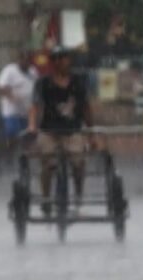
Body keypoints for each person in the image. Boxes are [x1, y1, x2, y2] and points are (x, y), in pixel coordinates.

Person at [27, 47, 97, 215]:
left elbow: (86, 108)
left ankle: (78, 197)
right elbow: (35, 107)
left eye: (64, 58)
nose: (62, 62)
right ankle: (46, 199)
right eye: (57, 59)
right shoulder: (43, 83)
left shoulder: (79, 82)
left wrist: (91, 133)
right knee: (48, 164)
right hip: (49, 131)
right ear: (54, 62)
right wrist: (32, 125)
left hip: (72, 131)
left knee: (79, 164)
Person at [0, 51, 38, 143]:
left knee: (26, 135)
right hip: (12, 110)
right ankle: (11, 151)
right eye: (24, 60)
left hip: (27, 110)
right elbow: (1, 87)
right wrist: (11, 97)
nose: (26, 63)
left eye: (28, 61)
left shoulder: (33, 71)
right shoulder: (9, 70)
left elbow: (36, 86)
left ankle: (23, 152)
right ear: (19, 60)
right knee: (12, 131)